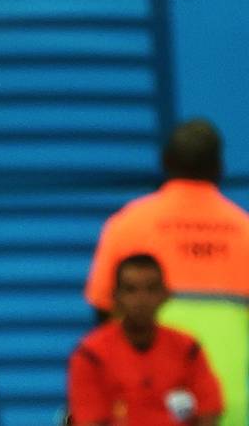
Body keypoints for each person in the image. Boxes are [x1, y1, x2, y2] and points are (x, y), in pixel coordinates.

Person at [85, 119, 249, 426]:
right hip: (230, 412)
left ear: (165, 163)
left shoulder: (126, 226)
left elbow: (102, 320)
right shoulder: (246, 233)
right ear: (218, 167)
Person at [69, 254, 222, 425]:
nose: (141, 300)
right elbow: (89, 419)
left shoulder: (187, 349)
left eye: (151, 289)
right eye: (131, 290)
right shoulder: (91, 355)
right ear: (115, 296)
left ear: (165, 295)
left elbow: (209, 411)